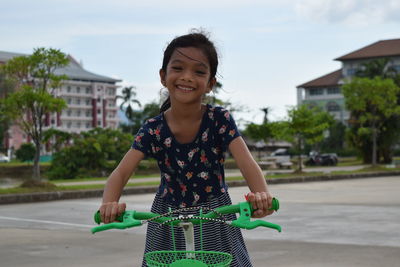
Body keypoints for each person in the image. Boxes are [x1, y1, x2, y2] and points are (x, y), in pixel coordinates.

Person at [99, 30, 275, 267]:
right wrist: (109, 204)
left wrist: (261, 196)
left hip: (215, 215)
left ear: (210, 83)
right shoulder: (153, 128)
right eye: (178, 68)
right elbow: (121, 172)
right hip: (166, 218)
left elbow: (247, 163)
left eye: (199, 71)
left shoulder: (219, 118)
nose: (187, 77)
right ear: (163, 76)